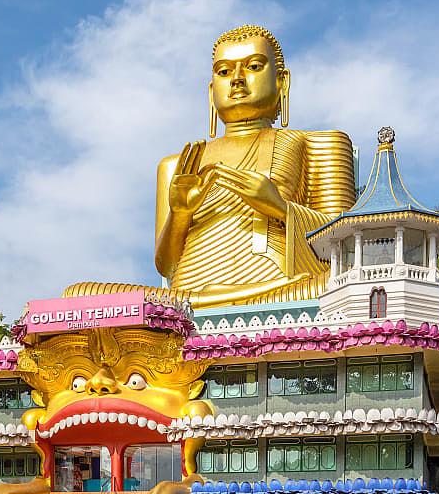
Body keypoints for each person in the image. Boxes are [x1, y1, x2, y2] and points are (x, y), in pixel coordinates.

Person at [65, 24, 355, 307]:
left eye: (254, 66)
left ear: (282, 80)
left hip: (277, 289)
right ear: (211, 89)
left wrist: (279, 207)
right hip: (186, 298)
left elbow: (345, 248)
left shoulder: (319, 143)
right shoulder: (177, 165)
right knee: (78, 296)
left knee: (345, 283)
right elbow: (166, 265)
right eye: (225, 71)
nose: (238, 79)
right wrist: (180, 213)